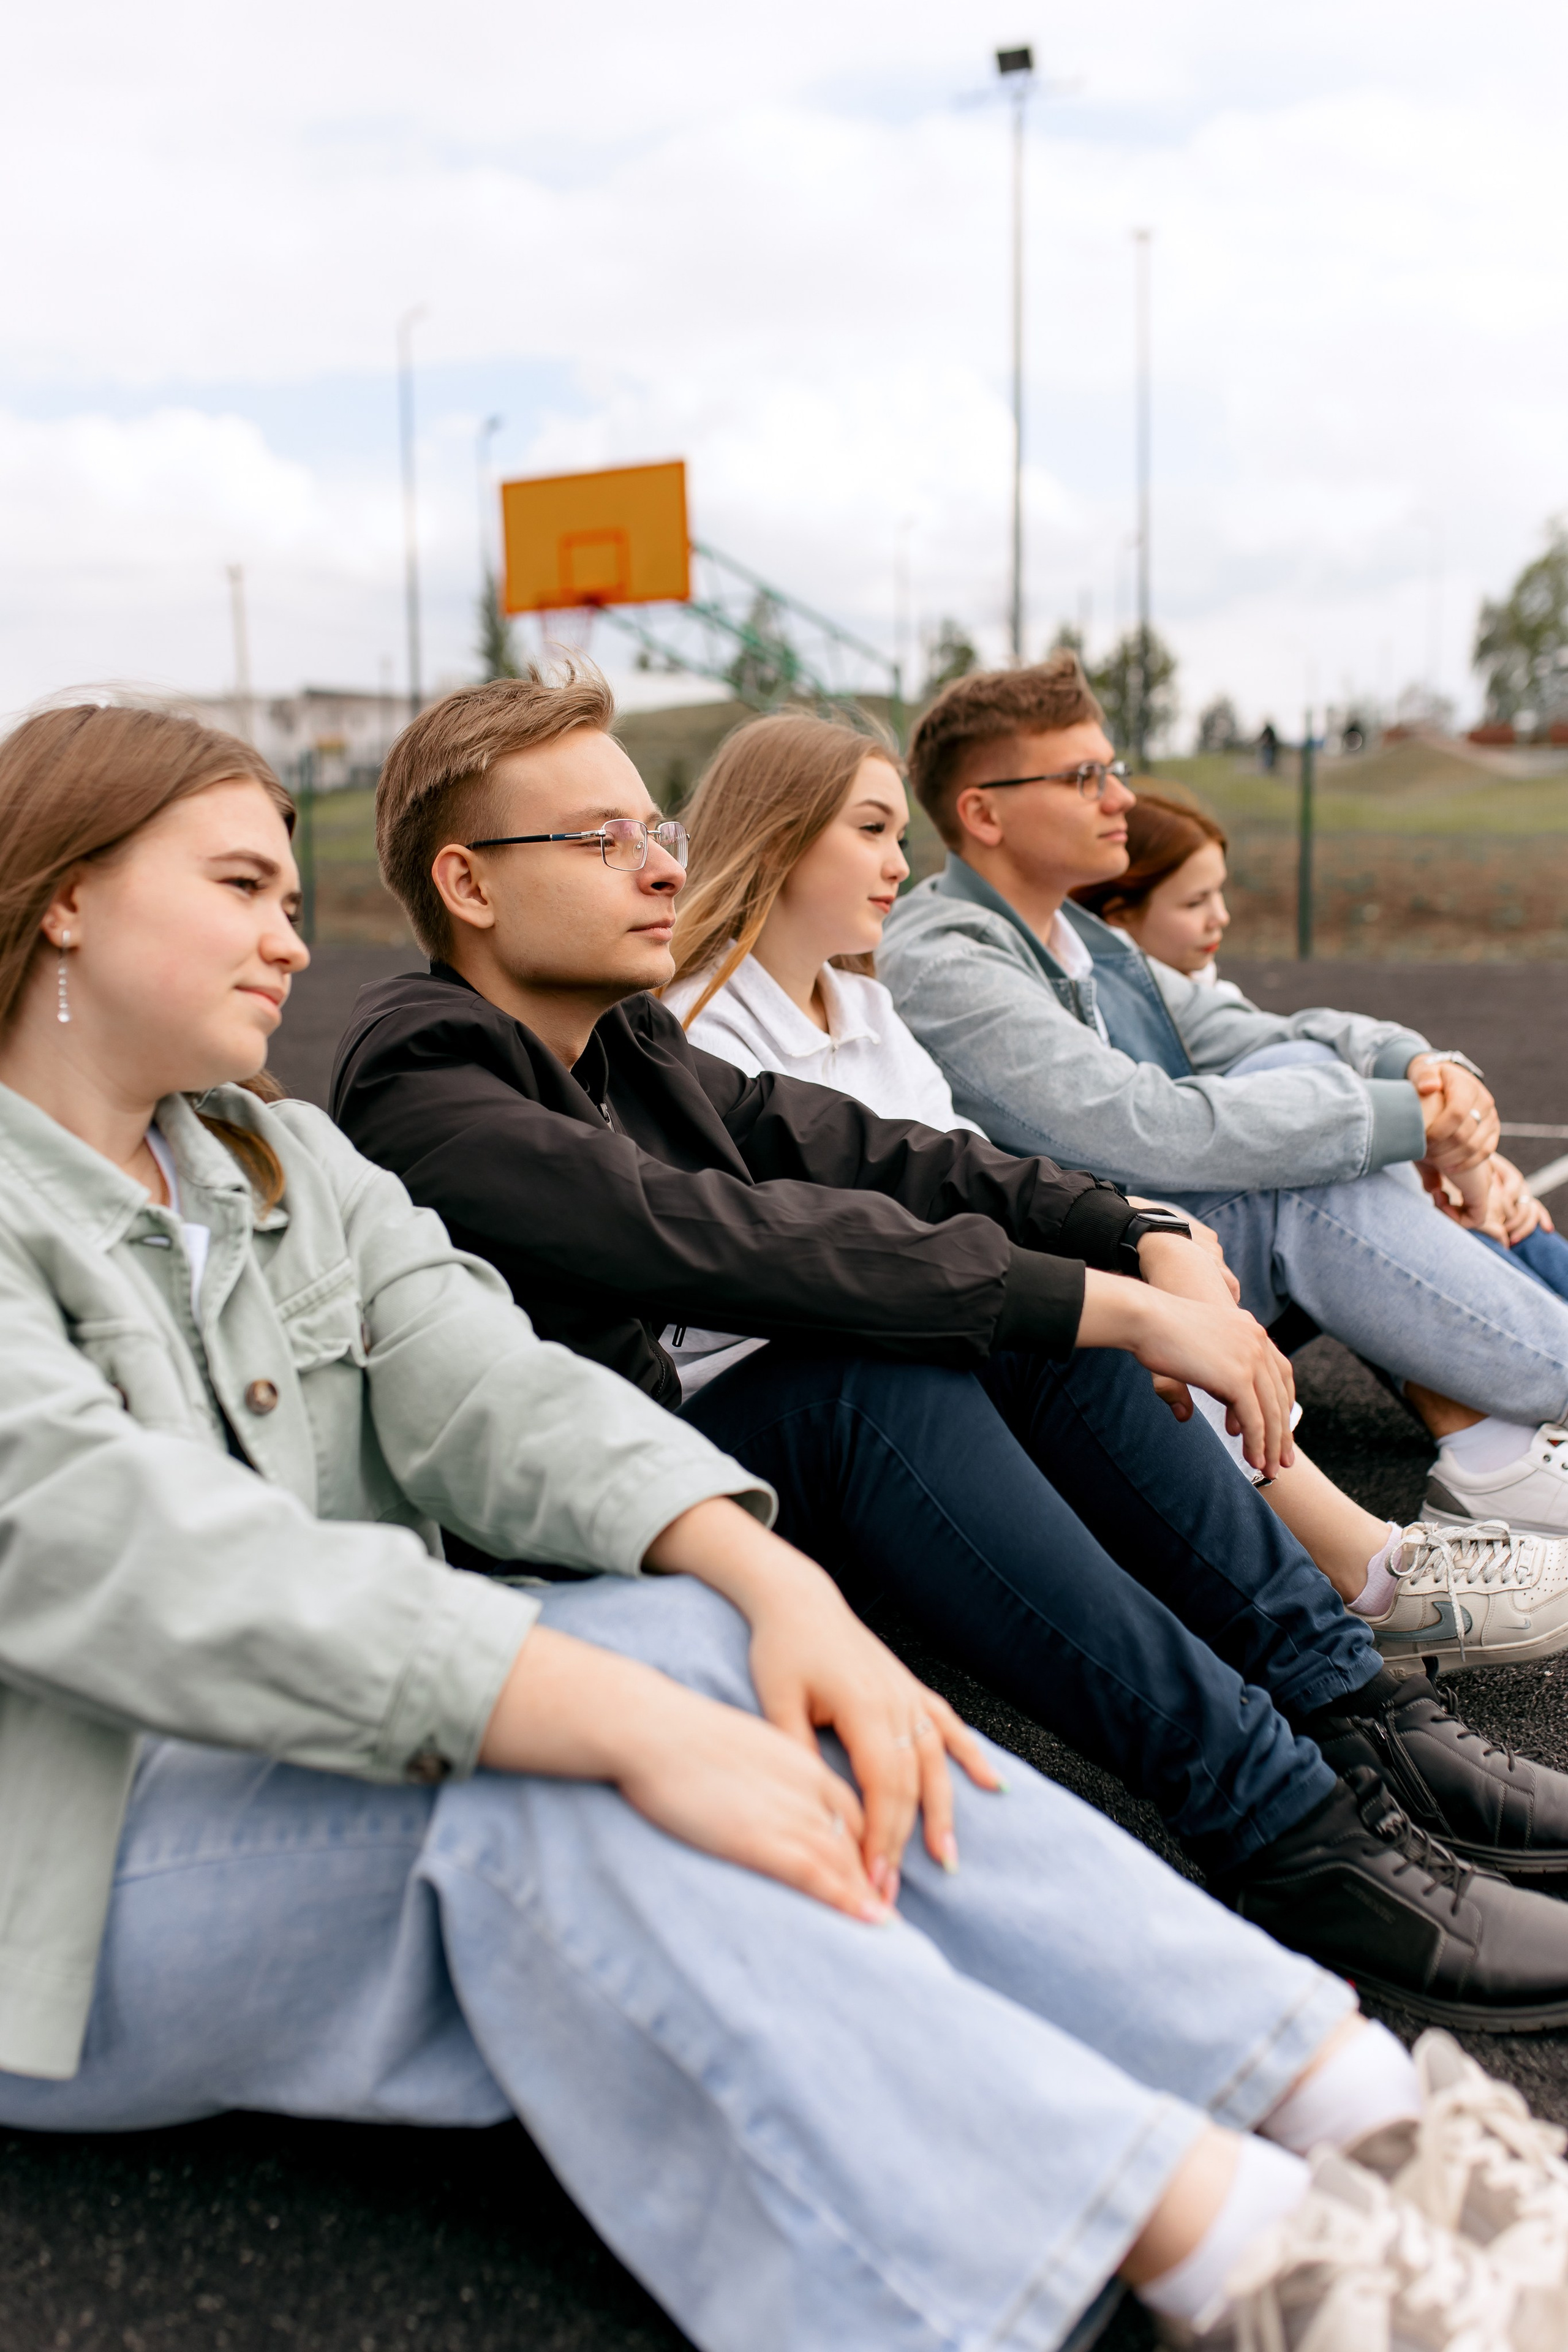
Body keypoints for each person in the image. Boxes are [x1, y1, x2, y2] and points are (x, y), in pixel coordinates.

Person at [13, 704, 1543, 2351]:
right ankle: (1238, 2249)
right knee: (568, 1783)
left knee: (706, 1637)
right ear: (67, 900)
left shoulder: (278, 1157)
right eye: (243, 885)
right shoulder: (401, 1080)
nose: (293, 934)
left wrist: (764, 1583)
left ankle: (1354, 2094)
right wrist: (610, 1701)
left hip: (362, 1709)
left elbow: (492, 1383)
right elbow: (137, 1550)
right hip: (80, 1861)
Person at [331, 671, 1568, 2021]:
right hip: (572, 1554)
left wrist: (1126, 1226)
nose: (654, 866)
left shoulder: (626, 1041)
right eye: (598, 839)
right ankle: (1289, 1832)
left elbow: (874, 1154)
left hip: (692, 1491)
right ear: (467, 882)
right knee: (865, 1379)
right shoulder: (420, 1073)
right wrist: (1114, 1301)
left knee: (1034, 1337)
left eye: (656, 831)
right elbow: (730, 1237)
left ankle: (1353, 1719)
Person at [664, 712, 1568, 1676]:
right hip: (814, 1386)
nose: (899, 861)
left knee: (1269, 1129)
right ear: (782, 833)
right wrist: (1130, 1264)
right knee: (1132, 1281)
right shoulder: (710, 1031)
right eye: (872, 830)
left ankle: (1447, 1492)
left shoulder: (872, 1001)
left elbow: (974, 1166)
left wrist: (1408, 1076)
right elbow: (1119, 1134)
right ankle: (1367, 1572)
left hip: (935, 1311)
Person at [876, 652, 1568, 1538]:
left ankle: (1491, 1451)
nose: (1121, 797)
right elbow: (1138, 1127)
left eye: (1113, 771)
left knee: (1297, 1091)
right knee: (1303, 1177)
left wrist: (1419, 1070)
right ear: (983, 813)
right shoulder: (943, 962)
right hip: (1059, 1328)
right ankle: (1524, 1412)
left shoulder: (1081, 938)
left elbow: (1265, 1033)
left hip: (1166, 1262)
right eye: (1086, 777)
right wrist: (1404, 1124)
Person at [1074, 788, 1568, 1300]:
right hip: (1182, 1254)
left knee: (1484, 1202)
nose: (1220, 916)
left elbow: (1310, 1034)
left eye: (1221, 893)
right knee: (1333, 1138)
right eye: (1196, 901)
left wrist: (1472, 1158)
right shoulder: (1092, 1023)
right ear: (1117, 918)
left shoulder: (1216, 999)